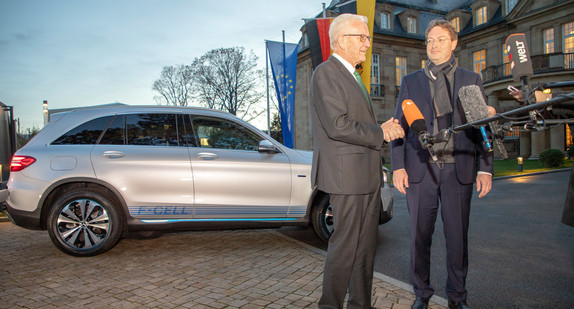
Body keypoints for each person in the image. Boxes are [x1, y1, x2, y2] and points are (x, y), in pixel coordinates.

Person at [391, 19, 494, 309]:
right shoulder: (411, 81)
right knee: (418, 238)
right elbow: (399, 126)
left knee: (457, 240)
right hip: (420, 170)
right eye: (429, 41)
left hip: (457, 169)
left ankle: (457, 298)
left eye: (439, 40)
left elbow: (482, 127)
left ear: (454, 43)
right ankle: (421, 293)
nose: (433, 45)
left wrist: (485, 167)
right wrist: (398, 165)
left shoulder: (470, 80)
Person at [309, 13, 405, 309]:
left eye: (367, 36)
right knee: (346, 247)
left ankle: (361, 304)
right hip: (346, 176)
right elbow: (337, 125)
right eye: (361, 37)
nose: (367, 43)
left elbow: (354, 122)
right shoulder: (326, 73)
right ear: (341, 40)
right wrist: (381, 132)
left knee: (365, 248)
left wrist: (383, 127)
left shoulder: (352, 75)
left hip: (365, 176)